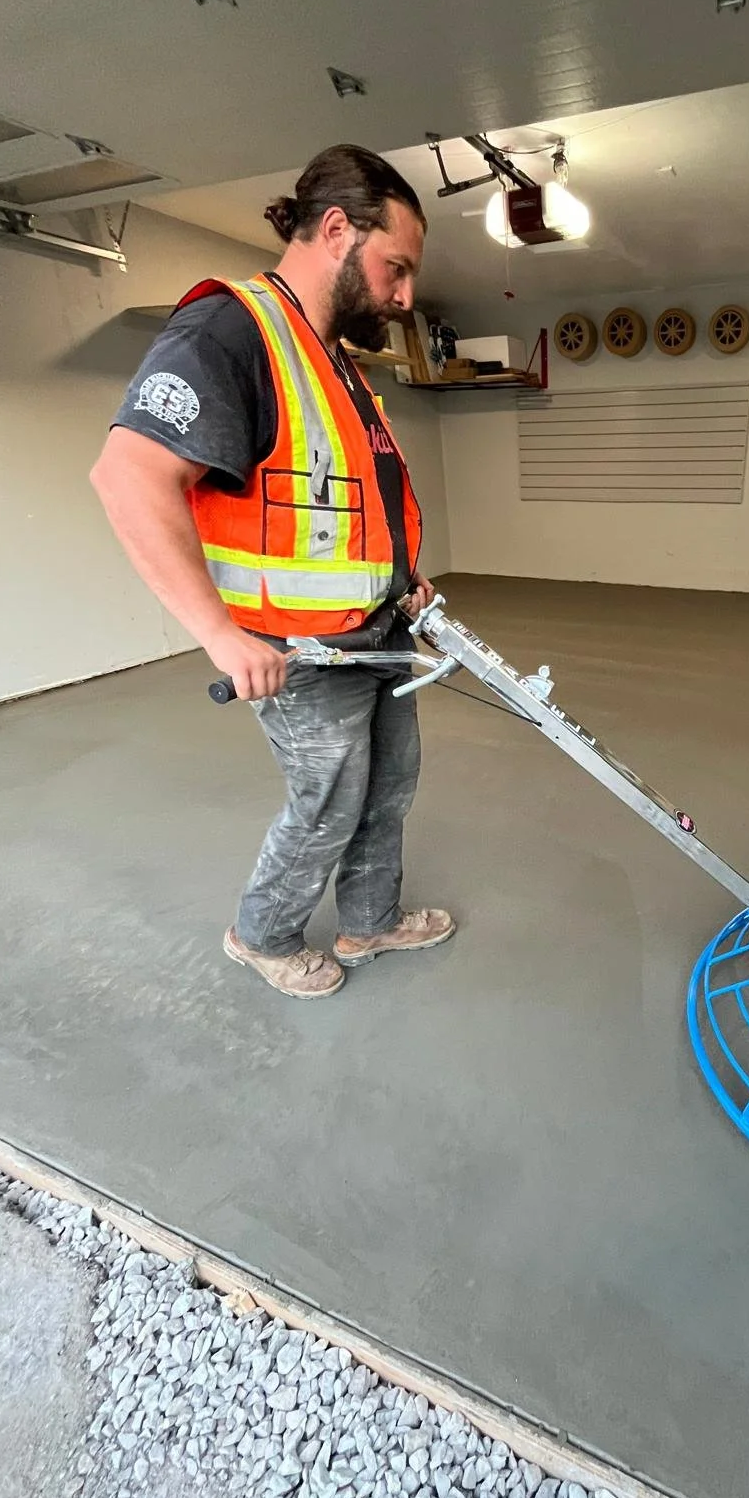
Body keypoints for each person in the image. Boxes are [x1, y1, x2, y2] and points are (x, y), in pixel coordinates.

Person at [91, 145, 455, 1000]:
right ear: (336, 230)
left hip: (378, 632)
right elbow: (128, 477)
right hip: (300, 650)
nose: (404, 297)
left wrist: (404, 578)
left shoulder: (332, 357)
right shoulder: (232, 329)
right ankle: (261, 935)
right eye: (395, 268)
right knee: (329, 801)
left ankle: (368, 921)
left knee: (387, 789)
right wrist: (219, 636)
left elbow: (337, 502)